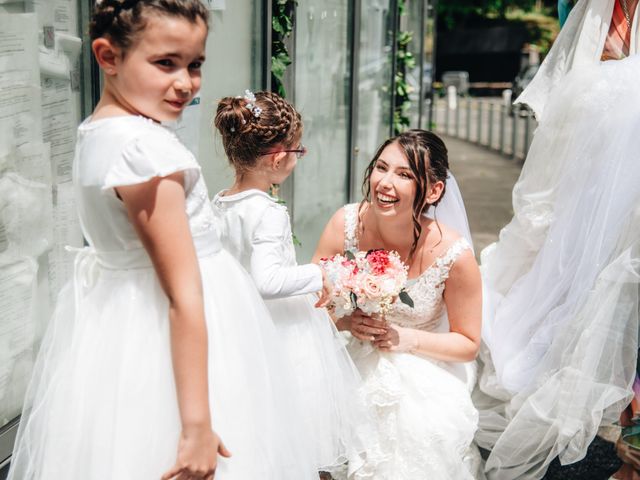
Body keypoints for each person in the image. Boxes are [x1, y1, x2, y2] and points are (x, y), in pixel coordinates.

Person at [8, 2, 317, 479]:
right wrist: (195, 425)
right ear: (108, 57)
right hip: (175, 334)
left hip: (123, 322)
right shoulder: (142, 150)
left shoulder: (99, 132)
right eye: (165, 63)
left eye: (194, 64)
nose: (185, 82)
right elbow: (183, 293)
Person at [475, 0, 640, 478]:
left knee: (620, 306)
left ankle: (627, 442)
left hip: (629, 204)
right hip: (585, 200)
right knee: (590, 307)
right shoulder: (586, 14)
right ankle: (625, 438)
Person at [210, 90, 372, 478]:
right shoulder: (267, 213)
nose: (299, 159)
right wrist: (324, 273)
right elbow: (267, 280)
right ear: (278, 157)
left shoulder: (221, 202)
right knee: (288, 425)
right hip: (277, 331)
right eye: (298, 151)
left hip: (237, 323)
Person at [313, 129, 483, 479]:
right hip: (343, 354)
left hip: (421, 366)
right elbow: (308, 304)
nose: (385, 183)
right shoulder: (345, 224)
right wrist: (343, 322)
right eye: (381, 168)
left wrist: (407, 340)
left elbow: (467, 343)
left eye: (404, 175)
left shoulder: (454, 255)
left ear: (434, 190)